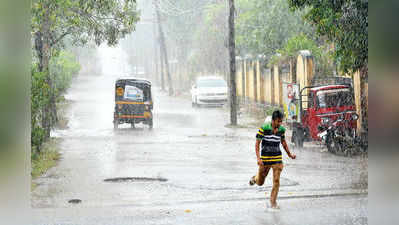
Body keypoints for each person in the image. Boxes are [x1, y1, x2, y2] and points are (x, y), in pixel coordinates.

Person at [249, 110, 296, 209]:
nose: (280, 124)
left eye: (281, 121)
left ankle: (273, 202)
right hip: (265, 160)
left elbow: (283, 142)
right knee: (261, 182)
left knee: (276, 180)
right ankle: (255, 178)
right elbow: (257, 143)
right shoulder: (264, 128)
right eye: (278, 121)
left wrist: (289, 154)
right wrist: (258, 159)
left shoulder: (281, 130)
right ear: (273, 120)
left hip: (277, 159)